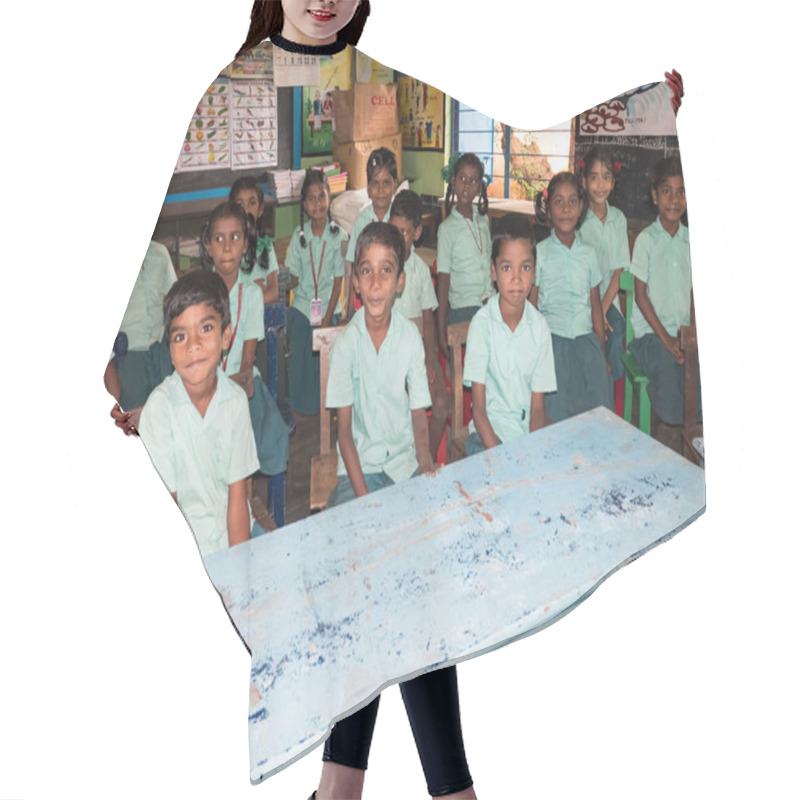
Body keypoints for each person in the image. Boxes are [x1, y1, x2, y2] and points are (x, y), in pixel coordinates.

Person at [319, 221, 475, 800]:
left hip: (402, 474)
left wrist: (421, 468)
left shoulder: (409, 339)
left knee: (419, 584)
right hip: (356, 480)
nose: (377, 281)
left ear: (400, 280)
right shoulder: (347, 343)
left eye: (388, 270)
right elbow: (343, 436)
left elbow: (418, 417)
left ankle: (344, 787)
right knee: (359, 589)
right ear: (355, 281)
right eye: (368, 271)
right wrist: (364, 499)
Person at [137, 269, 260, 559]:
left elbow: (237, 498)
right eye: (180, 336)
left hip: (237, 534)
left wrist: (238, 567)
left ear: (226, 336)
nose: (193, 345)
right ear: (169, 350)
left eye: (205, 329)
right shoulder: (159, 411)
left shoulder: (235, 402)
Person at [202, 201, 289, 478]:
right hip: (204, 385)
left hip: (243, 385)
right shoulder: (200, 295)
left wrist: (228, 392)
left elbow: (248, 361)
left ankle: (245, 487)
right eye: (219, 239)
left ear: (245, 246)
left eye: (235, 238)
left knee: (271, 438)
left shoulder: (251, 295)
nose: (227, 247)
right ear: (208, 246)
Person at [463, 214, 556, 454]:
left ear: (535, 271)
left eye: (525, 267)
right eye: (507, 268)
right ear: (493, 271)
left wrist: (531, 449)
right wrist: (501, 456)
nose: (516, 278)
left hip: (525, 433)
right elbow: (479, 411)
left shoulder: (540, 328)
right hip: (486, 435)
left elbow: (537, 409)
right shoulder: (482, 325)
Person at [531, 172, 613, 422]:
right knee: (557, 414)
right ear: (548, 211)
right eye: (558, 202)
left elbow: (595, 306)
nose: (566, 209)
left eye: (572, 202)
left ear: (581, 208)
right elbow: (532, 307)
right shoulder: (540, 253)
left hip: (586, 342)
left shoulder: (588, 254)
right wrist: (534, 352)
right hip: (553, 343)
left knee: (599, 410)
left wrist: (602, 352)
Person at [629, 155, 698, 426]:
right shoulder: (646, 240)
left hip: (684, 336)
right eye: (667, 191)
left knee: (703, 391)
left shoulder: (691, 241)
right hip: (651, 338)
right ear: (655, 197)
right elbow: (640, 295)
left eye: (682, 192)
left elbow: (695, 294)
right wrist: (667, 340)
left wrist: (690, 335)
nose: (674, 200)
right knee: (673, 401)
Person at [388, 189, 448, 461]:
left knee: (441, 405)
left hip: (417, 354)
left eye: (405, 232)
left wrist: (431, 359)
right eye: (394, 229)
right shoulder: (383, 267)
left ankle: (425, 461)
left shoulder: (421, 271)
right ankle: (400, 460)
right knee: (396, 411)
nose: (399, 238)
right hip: (387, 354)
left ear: (417, 233)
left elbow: (428, 318)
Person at [285, 168, 347, 414]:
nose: (317, 203)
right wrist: (277, 282)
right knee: (299, 338)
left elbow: (339, 282)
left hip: (330, 306)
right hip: (302, 305)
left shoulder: (339, 236)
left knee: (325, 340)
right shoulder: (298, 236)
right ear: (304, 204)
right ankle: (299, 405)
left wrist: (326, 318)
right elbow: (293, 277)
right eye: (311, 199)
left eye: (321, 196)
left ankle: (325, 405)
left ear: (329, 197)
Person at [106, 240, 176, 433]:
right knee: (138, 424)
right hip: (128, 353)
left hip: (163, 346)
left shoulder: (160, 253)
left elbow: (174, 300)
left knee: (173, 415)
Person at [578, 145, 629, 382]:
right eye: (594, 177)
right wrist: (594, 310)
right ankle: (589, 385)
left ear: (613, 182)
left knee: (615, 330)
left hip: (609, 302)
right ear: (584, 181)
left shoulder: (618, 219)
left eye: (606, 178)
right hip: (582, 301)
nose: (600, 185)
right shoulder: (577, 219)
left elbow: (618, 272)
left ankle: (611, 387)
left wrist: (603, 308)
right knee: (585, 337)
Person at [436, 153, 493, 359]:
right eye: (462, 178)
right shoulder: (447, 229)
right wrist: (440, 329)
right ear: (453, 181)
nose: (466, 186)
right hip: (463, 310)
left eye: (473, 180)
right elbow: (443, 280)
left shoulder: (485, 222)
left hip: (489, 306)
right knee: (467, 373)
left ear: (480, 188)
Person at [344, 146, 400, 317]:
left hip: (393, 301)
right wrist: (347, 313)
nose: (381, 190)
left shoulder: (399, 220)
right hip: (366, 298)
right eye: (375, 183)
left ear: (395, 185)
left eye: (386, 183)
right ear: (368, 188)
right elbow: (351, 266)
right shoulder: (362, 221)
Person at [229, 176, 280, 304]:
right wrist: (256, 289)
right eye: (240, 204)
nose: (246, 210)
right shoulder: (226, 247)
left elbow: (274, 294)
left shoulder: (265, 245)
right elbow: (229, 298)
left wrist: (246, 293)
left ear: (261, 209)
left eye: (252, 203)